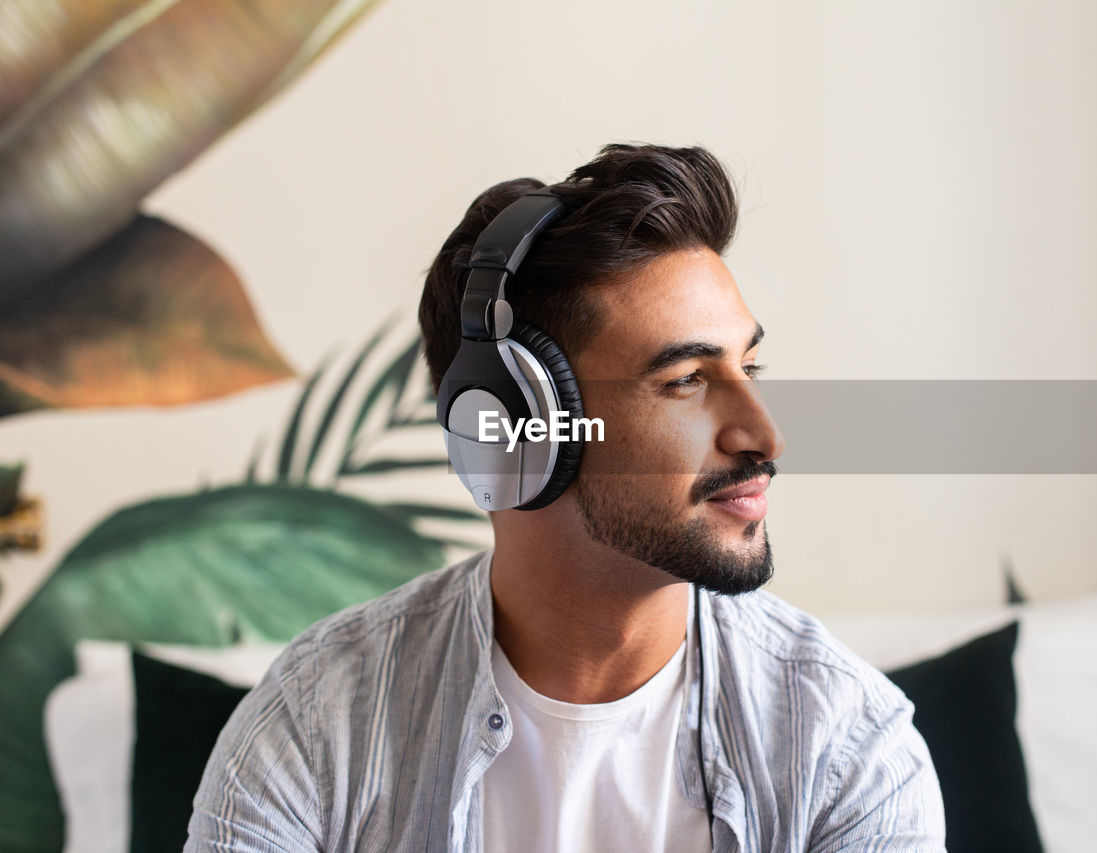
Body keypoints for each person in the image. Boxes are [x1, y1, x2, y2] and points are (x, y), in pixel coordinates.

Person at [186, 144, 945, 852]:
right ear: (510, 427)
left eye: (750, 366)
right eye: (686, 381)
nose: (763, 435)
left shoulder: (847, 748)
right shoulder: (320, 723)